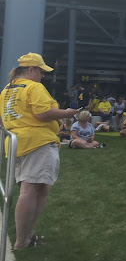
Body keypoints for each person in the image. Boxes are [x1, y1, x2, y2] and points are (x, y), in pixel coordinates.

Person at [0, 53, 77, 249]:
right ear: (31, 69)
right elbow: (42, 113)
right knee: (30, 190)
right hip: (37, 142)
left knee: (40, 189)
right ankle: (22, 240)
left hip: (18, 144)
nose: (42, 76)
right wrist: (66, 113)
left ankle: (27, 235)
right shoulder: (34, 87)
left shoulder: (7, 90)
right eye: (41, 71)